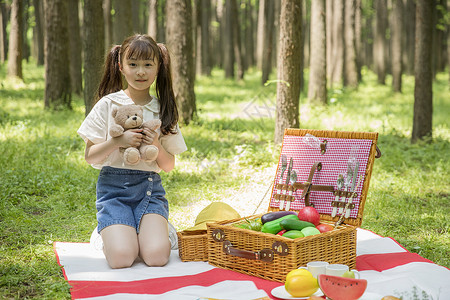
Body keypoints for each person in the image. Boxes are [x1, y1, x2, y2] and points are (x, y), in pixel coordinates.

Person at [77, 34, 187, 269]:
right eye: (133, 64)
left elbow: (169, 166)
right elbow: (90, 156)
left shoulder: (162, 108)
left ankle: (157, 230)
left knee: (156, 257)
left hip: (149, 190)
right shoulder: (108, 104)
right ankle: (105, 233)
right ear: (120, 67)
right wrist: (118, 141)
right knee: (122, 258)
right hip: (113, 192)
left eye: (148, 64)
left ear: (158, 68)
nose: (140, 72)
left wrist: (156, 145)